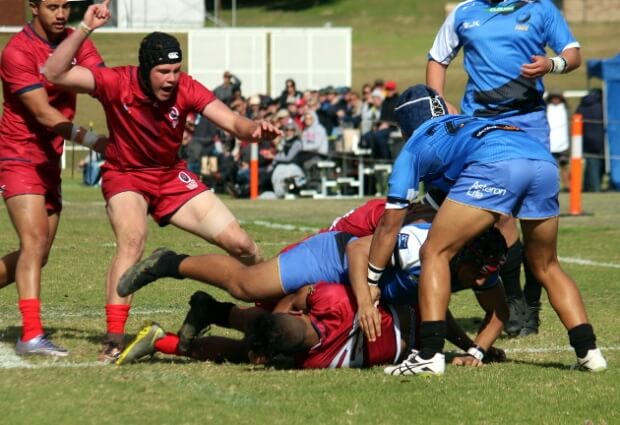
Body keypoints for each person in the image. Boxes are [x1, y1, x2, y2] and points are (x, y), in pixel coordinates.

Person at [43, 4, 281, 362]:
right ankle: (113, 337)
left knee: (242, 244)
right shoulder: (115, 82)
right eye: (163, 71)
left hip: (171, 176)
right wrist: (86, 28)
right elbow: (54, 72)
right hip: (126, 175)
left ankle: (273, 308)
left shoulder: (186, 87)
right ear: (145, 69)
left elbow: (233, 122)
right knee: (133, 238)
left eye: (176, 70)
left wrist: (255, 131)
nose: (171, 78)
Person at [362, 84, 606, 376]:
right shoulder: (464, 122)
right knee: (546, 265)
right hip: (540, 159)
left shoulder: (414, 146)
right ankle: (589, 352)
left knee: (434, 251)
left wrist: (372, 279)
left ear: (404, 128)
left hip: (496, 163)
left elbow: (390, 224)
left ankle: (428, 354)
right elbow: (448, 193)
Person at [426, 0, 583, 337]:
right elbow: (437, 58)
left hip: (529, 124)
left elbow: (573, 53)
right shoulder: (465, 11)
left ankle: (532, 300)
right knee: (499, 216)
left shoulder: (540, 9)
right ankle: (513, 304)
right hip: (481, 125)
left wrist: (551, 65)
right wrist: (437, 104)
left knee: (536, 222)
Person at [0, 0, 107, 356]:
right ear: (33, 7)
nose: (61, 14)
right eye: (52, 7)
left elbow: (103, 82)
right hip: (17, 156)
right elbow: (44, 114)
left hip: (50, 160)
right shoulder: (16, 52)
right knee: (33, 243)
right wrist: (96, 142)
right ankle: (30, 335)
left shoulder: (77, 42)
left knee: (39, 253)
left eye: (66, 6)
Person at [116, 282, 507, 368]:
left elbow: (297, 300)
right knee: (242, 348)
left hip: (408, 319)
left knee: (245, 345)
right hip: (410, 320)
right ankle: (181, 333)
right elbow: (441, 319)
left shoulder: (328, 306)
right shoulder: (333, 305)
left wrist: (471, 347)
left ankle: (208, 314)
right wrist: (473, 347)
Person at [576, 88, 605, 192]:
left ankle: (587, 187)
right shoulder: (603, 106)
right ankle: (596, 189)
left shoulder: (582, 105)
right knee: (596, 166)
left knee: (591, 165)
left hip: (585, 139)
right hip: (601, 140)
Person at [546, 92, 571, 191]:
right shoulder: (545, 109)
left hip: (563, 144)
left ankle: (567, 186)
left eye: (558, 98)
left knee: (564, 166)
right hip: (549, 144)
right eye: (553, 97)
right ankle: (551, 186)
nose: (555, 99)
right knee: (550, 168)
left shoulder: (567, 110)